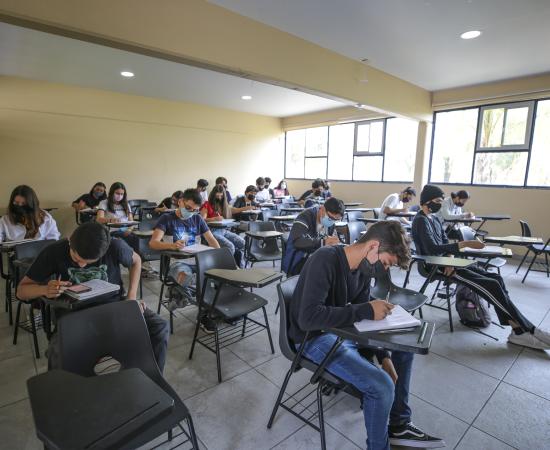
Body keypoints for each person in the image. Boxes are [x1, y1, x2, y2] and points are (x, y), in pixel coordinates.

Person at [290, 221, 443, 449]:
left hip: (340, 332)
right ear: (373, 246)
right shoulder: (325, 259)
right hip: (312, 338)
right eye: (386, 263)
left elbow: (364, 318)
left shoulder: (363, 270)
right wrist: (366, 310)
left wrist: (383, 356)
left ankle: (399, 425)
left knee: (404, 351)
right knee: (382, 387)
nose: (385, 270)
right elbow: (308, 318)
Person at [411, 184, 550, 350]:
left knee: (496, 278)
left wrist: (449, 258)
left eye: (441, 201)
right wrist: (464, 245)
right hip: (434, 265)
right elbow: (432, 249)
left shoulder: (434, 219)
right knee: (492, 285)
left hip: (448, 263)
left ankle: (518, 330)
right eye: (437, 201)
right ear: (427, 201)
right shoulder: (420, 221)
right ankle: (527, 329)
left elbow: (445, 242)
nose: (440, 204)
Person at [16, 221, 169, 372]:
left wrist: (131, 297)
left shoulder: (115, 246)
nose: (81, 265)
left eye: (88, 262)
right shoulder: (54, 252)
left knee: (159, 327)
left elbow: (136, 261)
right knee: (58, 353)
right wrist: (44, 289)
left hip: (113, 308)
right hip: (74, 316)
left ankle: (148, 378)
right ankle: (67, 387)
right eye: (76, 259)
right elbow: (21, 291)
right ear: (70, 241)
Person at [149, 188, 220, 318]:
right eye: (188, 208)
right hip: (177, 263)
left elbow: (212, 240)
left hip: (198, 261)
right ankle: (195, 304)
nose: (191, 212)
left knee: (216, 278)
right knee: (192, 279)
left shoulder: (197, 219)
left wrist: (220, 257)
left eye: (194, 210)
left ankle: (177, 293)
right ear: (180, 201)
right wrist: (171, 245)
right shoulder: (167, 218)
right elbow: (153, 243)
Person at [281, 197, 344, 276]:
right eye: (331, 217)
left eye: (336, 220)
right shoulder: (305, 216)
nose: (332, 221)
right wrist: (323, 242)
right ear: (322, 209)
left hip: (315, 256)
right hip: (299, 259)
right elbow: (297, 241)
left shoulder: (330, 223)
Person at [200, 185, 245, 266]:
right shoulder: (207, 204)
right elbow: (202, 220)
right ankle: (227, 267)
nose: (219, 198)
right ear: (213, 195)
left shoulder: (223, 205)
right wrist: (213, 219)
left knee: (242, 242)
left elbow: (231, 212)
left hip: (223, 230)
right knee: (230, 247)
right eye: (217, 196)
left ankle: (240, 264)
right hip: (211, 231)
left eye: (221, 196)